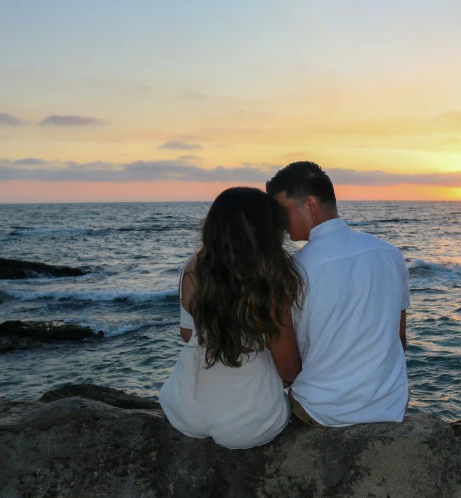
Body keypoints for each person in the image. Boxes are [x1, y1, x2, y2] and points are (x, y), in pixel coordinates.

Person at [266, 161, 410, 427]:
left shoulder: (291, 272)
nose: (279, 223)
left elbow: (289, 368)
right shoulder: (390, 254)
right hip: (390, 406)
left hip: (322, 412)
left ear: (311, 206)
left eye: (282, 212)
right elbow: (399, 340)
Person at [159, 187, 304, 449]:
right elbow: (289, 368)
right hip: (247, 423)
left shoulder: (194, 266)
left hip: (183, 409)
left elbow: (187, 333)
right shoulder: (271, 278)